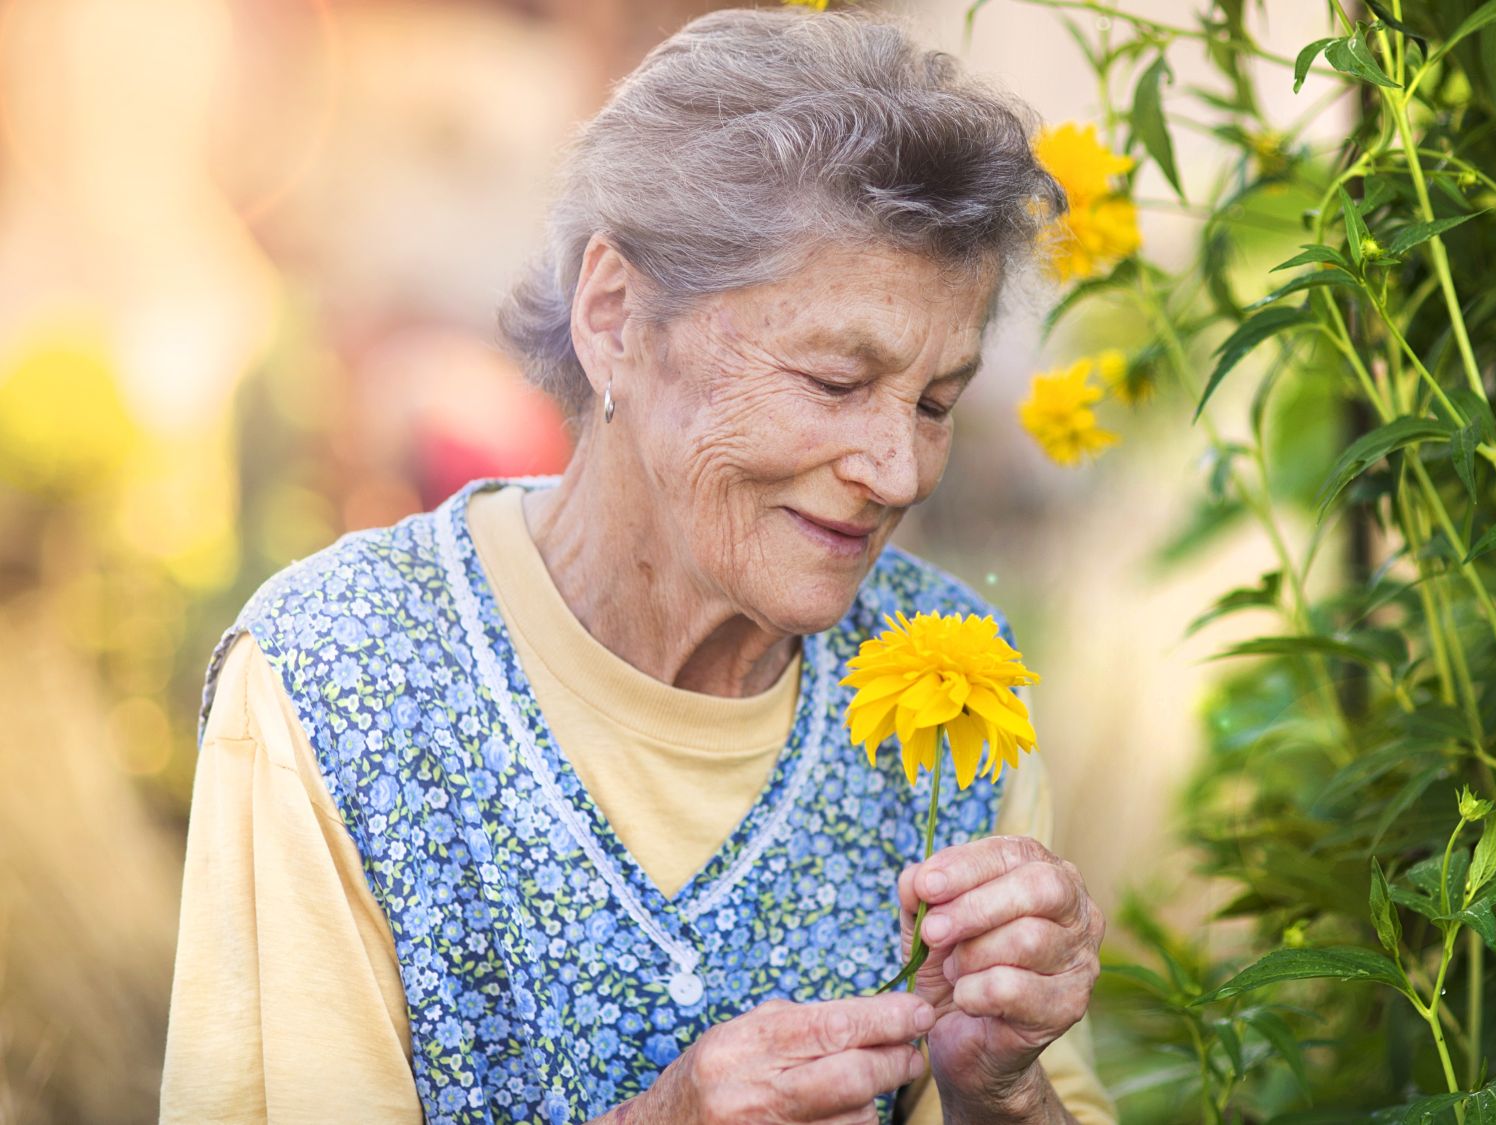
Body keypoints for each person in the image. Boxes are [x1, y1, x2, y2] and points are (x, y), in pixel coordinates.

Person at [160, 8, 1115, 1122]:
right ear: (614, 316)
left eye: (936, 402)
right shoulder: (337, 676)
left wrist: (1003, 1089)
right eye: (833, 382)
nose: (897, 469)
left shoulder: (950, 685)